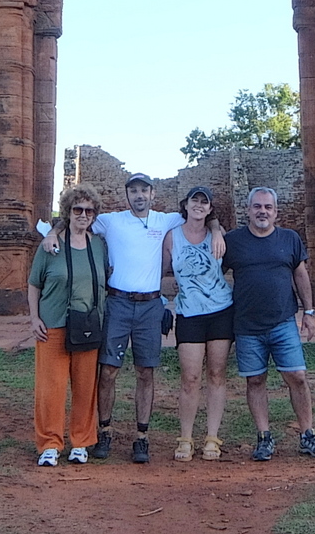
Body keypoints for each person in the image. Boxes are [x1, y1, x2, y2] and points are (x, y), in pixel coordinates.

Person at [40, 172, 224, 463]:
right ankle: (105, 430)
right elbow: (76, 218)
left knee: (145, 371)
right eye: (134, 191)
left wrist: (215, 229)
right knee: (109, 370)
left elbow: (200, 214)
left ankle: (142, 436)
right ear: (127, 195)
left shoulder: (164, 220)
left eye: (144, 191)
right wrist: (53, 231)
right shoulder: (112, 221)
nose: (139, 196)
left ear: (153, 195)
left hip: (150, 305)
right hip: (118, 303)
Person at [222, 186, 315, 461]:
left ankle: (308, 434)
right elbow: (214, 273)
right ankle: (264, 437)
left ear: (276, 212)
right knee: (256, 380)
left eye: (268, 207)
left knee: (297, 377)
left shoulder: (289, 239)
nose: (262, 212)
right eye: (257, 206)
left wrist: (309, 312)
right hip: (247, 325)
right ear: (248, 210)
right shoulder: (233, 242)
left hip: (283, 321)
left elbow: (301, 275)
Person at [26, 185, 110, 467]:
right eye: (78, 210)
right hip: (53, 324)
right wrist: (34, 318)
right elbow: (34, 283)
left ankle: (81, 441)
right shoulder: (50, 245)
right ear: (68, 212)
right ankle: (50, 443)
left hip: (87, 324)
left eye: (89, 210)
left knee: (86, 386)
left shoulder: (98, 245)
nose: (83, 215)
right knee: (51, 387)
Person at [160, 186, 234, 461]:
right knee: (190, 378)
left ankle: (212, 437)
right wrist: (160, 304)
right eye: (195, 200)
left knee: (216, 374)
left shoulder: (218, 235)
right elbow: (161, 272)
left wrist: (216, 230)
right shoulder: (172, 238)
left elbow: (227, 265)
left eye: (204, 202)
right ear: (186, 204)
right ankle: (186, 437)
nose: (199, 205)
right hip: (189, 312)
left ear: (210, 208)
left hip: (220, 310)